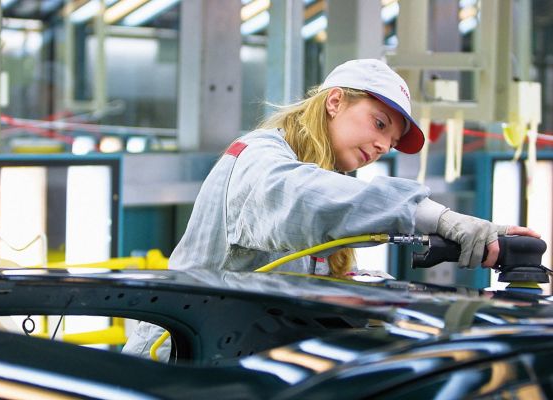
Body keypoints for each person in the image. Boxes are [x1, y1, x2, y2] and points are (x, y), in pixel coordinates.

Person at [123, 58, 539, 359]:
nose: (381, 146)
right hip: (176, 364)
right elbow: (308, 199)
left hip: (235, 359)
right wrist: (443, 219)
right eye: (379, 124)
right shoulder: (257, 157)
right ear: (335, 101)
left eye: (391, 143)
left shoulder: (322, 174)